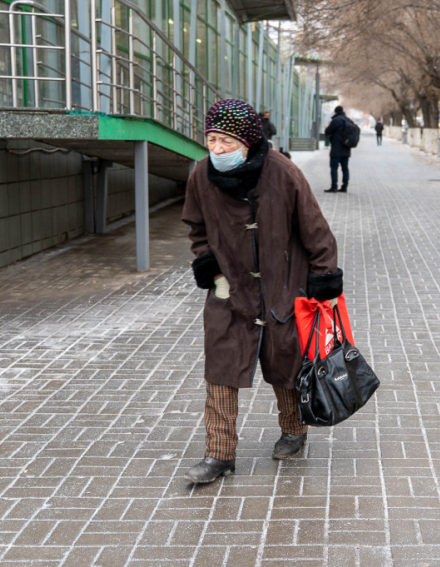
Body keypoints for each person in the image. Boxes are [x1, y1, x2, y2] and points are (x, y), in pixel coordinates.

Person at [181, 100, 344, 484]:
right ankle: (219, 454)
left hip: (284, 285)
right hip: (230, 289)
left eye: (226, 140)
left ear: (248, 141)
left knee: (285, 365)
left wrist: (325, 282)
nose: (216, 148)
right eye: (211, 139)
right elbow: (197, 229)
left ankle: (293, 429)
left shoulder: (283, 173)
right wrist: (211, 270)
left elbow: (315, 230)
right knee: (220, 367)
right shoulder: (201, 176)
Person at [324, 105, 351, 193]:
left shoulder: (336, 120)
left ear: (336, 112)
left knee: (334, 168)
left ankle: (334, 187)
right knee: (345, 168)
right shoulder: (348, 120)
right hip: (346, 149)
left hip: (336, 149)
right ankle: (344, 187)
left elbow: (328, 131)